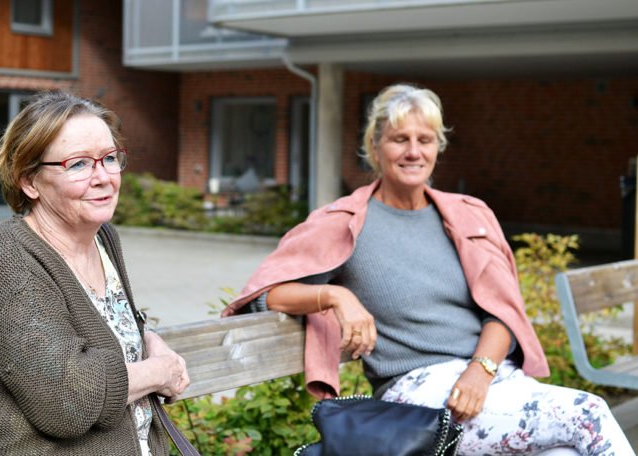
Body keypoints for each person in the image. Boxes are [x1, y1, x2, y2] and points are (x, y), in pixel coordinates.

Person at [223, 83, 634, 455]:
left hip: (490, 381)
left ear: (438, 147)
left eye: (425, 140)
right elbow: (264, 293)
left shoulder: (468, 216)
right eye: (400, 139)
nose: (413, 152)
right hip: (416, 396)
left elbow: (502, 312)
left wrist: (480, 370)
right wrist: (335, 295)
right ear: (375, 145)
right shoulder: (344, 221)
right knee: (588, 411)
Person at [0, 91, 189, 455]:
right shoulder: (5, 254)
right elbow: (67, 400)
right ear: (29, 180)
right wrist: (159, 371)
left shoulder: (102, 238)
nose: (103, 177)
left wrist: (148, 338)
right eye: (78, 164)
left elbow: (97, 321)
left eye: (109, 158)